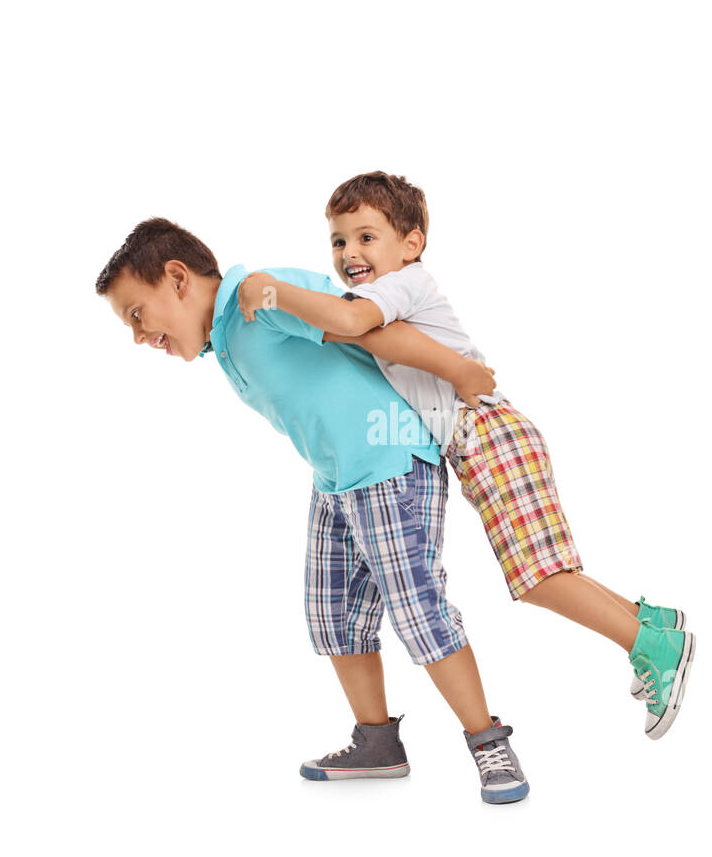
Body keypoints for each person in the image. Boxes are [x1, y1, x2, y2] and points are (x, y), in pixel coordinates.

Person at [237, 172, 696, 738]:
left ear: (411, 244)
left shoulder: (400, 285)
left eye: (365, 237)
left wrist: (273, 291)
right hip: (474, 442)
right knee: (547, 569)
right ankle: (648, 621)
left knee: (537, 578)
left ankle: (650, 644)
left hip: (487, 431)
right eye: (338, 241)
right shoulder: (383, 293)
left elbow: (351, 320)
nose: (349, 253)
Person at [94, 218, 530, 804]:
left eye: (137, 315)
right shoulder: (225, 341)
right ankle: (377, 741)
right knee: (332, 613)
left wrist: (458, 372)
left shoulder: (259, 299)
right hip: (337, 481)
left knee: (418, 611)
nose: (140, 336)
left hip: (391, 462)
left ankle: (487, 741)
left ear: (177, 278)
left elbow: (370, 332)